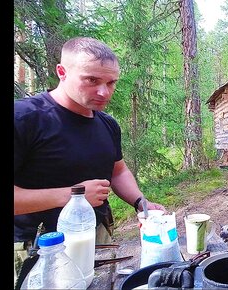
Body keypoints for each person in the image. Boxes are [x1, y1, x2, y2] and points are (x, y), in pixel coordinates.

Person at [14, 37, 166, 285]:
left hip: (94, 240)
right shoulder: (25, 118)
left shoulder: (107, 124)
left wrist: (140, 202)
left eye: (111, 82)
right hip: (33, 247)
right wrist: (74, 196)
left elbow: (118, 171)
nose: (104, 92)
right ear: (62, 72)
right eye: (92, 80)